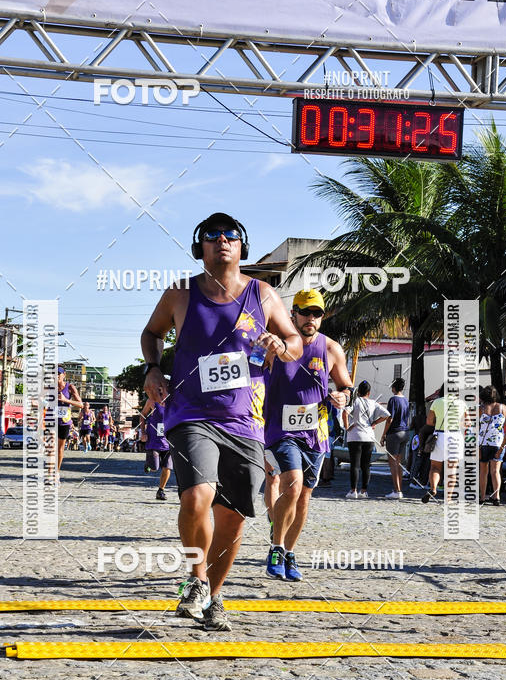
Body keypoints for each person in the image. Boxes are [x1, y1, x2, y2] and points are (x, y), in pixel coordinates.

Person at [141, 211, 302, 632]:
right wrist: (152, 370)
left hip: (245, 420)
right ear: (201, 248)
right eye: (211, 236)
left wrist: (280, 345)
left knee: (232, 516)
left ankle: (214, 597)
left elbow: (296, 343)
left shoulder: (264, 294)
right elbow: (151, 334)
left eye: (230, 235)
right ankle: (195, 581)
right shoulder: (180, 293)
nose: (221, 241)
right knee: (197, 496)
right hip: (190, 414)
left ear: (241, 246)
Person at [263, 289, 353, 581]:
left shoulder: (331, 349)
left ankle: (290, 552)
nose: (311, 318)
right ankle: (276, 547)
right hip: (279, 426)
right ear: (294, 314)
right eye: (305, 312)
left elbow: (345, 386)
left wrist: (342, 397)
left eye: (317, 313)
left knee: (303, 497)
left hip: (316, 430)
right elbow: (251, 367)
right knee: (292, 480)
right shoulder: (277, 342)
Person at [421, 384, 470, 504]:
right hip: (455, 437)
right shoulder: (462, 403)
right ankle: (448, 499)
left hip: (440, 436)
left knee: (435, 467)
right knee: (452, 469)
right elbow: (467, 423)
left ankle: (433, 489)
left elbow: (429, 422)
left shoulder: (436, 402)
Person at [343, 381, 390, 498]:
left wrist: (347, 426)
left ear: (358, 392)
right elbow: (387, 415)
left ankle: (353, 491)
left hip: (354, 435)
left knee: (355, 464)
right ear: (369, 392)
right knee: (366, 465)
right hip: (368, 436)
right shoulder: (373, 403)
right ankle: (364, 491)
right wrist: (374, 422)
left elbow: (345, 412)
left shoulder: (355, 401)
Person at [478, 385, 506, 506]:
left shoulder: (481, 408)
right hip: (498, 442)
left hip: (483, 443)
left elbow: (475, 428)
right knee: (495, 471)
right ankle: (496, 496)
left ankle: (482, 497)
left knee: (483, 471)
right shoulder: (503, 408)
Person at [380, 377, 410, 499]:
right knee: (399, 463)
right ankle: (399, 489)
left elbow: (389, 419)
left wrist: (383, 434)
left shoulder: (393, 400)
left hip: (394, 433)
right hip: (405, 432)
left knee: (392, 463)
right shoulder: (406, 400)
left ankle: (396, 491)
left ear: (393, 387)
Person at [141, 393, 173, 501]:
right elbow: (143, 415)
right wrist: (143, 432)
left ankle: (161, 491)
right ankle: (148, 463)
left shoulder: (174, 401)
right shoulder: (152, 401)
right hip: (154, 439)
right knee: (154, 468)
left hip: (168, 440)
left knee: (167, 467)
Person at [57, 367, 83, 474]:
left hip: (64, 421)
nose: (56, 375)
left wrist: (66, 400)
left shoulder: (70, 387)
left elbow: (80, 404)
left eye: (58, 373)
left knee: (59, 448)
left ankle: (56, 473)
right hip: (51, 421)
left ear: (64, 375)